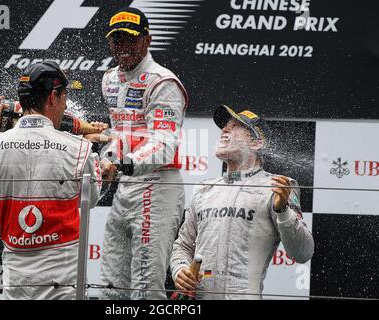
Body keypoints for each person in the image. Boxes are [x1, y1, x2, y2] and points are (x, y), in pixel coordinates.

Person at [0, 61, 103, 300]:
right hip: (64, 284)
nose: (65, 105)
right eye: (64, 96)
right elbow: (92, 199)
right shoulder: (80, 148)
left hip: (16, 283)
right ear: (53, 97)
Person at [170, 105, 314, 300]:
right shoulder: (204, 188)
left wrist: (283, 211)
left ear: (257, 143)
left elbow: (303, 252)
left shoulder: (277, 186)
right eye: (225, 126)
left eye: (236, 126)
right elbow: (183, 246)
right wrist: (180, 271)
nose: (225, 130)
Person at [98, 7, 188, 299]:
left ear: (147, 40)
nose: (122, 47)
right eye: (117, 40)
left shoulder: (163, 82)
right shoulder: (110, 79)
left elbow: (164, 143)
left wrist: (123, 164)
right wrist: (107, 161)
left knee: (146, 287)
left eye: (130, 39)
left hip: (158, 187)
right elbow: (119, 135)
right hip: (127, 187)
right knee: (112, 285)